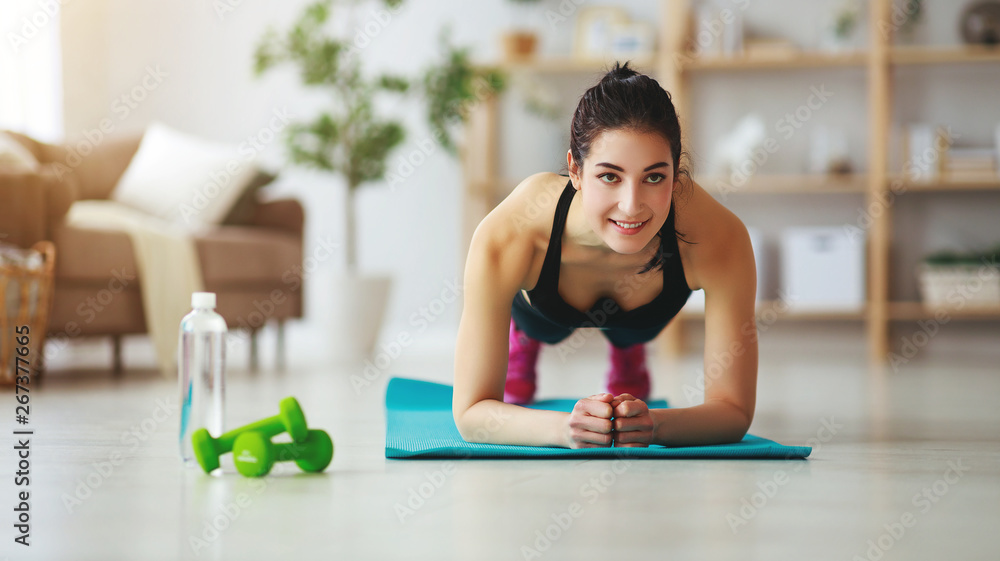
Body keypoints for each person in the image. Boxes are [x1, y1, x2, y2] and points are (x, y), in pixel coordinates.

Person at [453, 61, 758, 449]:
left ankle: (626, 347)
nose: (631, 206)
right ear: (575, 171)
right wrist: (565, 428)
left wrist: (655, 425)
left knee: (632, 328)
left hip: (642, 314)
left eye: (654, 177)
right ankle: (523, 339)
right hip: (542, 311)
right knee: (541, 325)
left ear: (676, 174)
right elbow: (470, 414)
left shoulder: (719, 239)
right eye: (610, 176)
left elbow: (733, 411)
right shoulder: (512, 233)